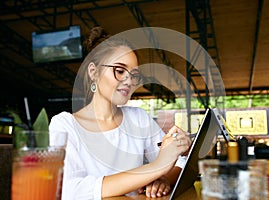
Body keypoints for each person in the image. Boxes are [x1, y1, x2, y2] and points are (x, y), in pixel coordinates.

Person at [49, 27, 192, 199]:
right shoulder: (64, 125)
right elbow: (72, 190)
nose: (129, 81)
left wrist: (164, 180)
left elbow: (180, 162)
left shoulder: (139, 118)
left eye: (134, 75)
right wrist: (157, 167)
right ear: (94, 72)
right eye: (120, 70)